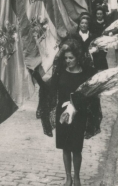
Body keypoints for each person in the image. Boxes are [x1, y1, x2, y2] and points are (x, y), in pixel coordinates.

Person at [33, 39, 102, 186]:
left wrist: (79, 106)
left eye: (71, 58)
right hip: (63, 115)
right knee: (65, 147)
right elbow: (48, 89)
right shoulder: (60, 73)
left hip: (79, 115)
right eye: (66, 58)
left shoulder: (86, 75)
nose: (68, 61)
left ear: (78, 58)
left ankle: (76, 177)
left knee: (76, 148)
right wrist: (37, 75)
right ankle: (68, 177)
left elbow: (91, 96)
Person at [90, 6, 109, 71]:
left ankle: (103, 71)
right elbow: (91, 33)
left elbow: (108, 31)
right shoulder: (93, 23)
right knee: (96, 56)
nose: (99, 15)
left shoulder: (106, 22)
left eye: (100, 14)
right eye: (98, 14)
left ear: (103, 14)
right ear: (95, 14)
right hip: (96, 43)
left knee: (102, 56)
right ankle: (96, 71)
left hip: (104, 43)